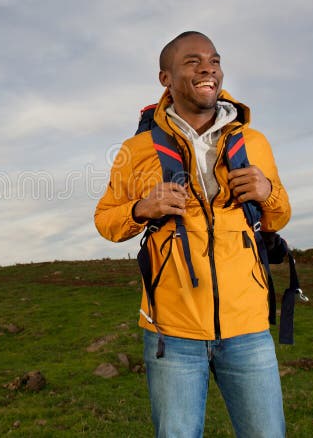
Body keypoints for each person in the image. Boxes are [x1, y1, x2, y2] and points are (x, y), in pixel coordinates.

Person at [94, 31, 291, 437]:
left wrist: (267, 192)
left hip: (248, 328)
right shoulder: (136, 149)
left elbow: (278, 216)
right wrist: (140, 208)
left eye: (214, 60)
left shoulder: (254, 141)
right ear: (165, 78)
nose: (208, 69)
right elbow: (106, 220)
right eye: (193, 61)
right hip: (172, 331)